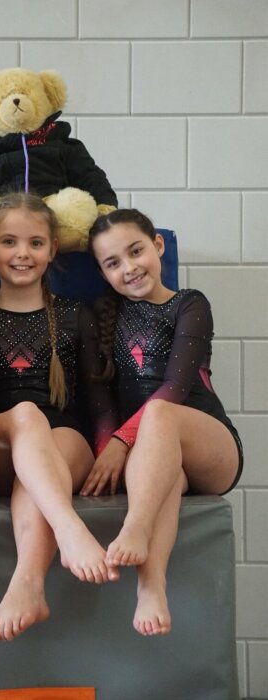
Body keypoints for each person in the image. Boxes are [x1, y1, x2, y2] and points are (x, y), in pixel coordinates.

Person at [0, 192, 119, 667]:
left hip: (64, 441)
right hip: (1, 436)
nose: (23, 253)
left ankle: (29, 584)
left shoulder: (75, 315)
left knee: (39, 453)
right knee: (25, 414)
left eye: (36, 243)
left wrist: (109, 448)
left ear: (53, 249)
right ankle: (69, 528)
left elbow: (98, 399)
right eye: (9, 242)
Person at [81, 208, 243, 637]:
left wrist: (121, 442)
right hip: (152, 451)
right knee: (165, 473)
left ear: (157, 246)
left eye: (136, 251)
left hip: (209, 444)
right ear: (102, 272)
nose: (129, 267)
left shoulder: (189, 303)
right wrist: (106, 448)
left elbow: (175, 386)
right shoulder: (102, 317)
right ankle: (151, 587)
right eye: (113, 263)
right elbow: (101, 402)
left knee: (159, 411)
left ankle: (136, 526)